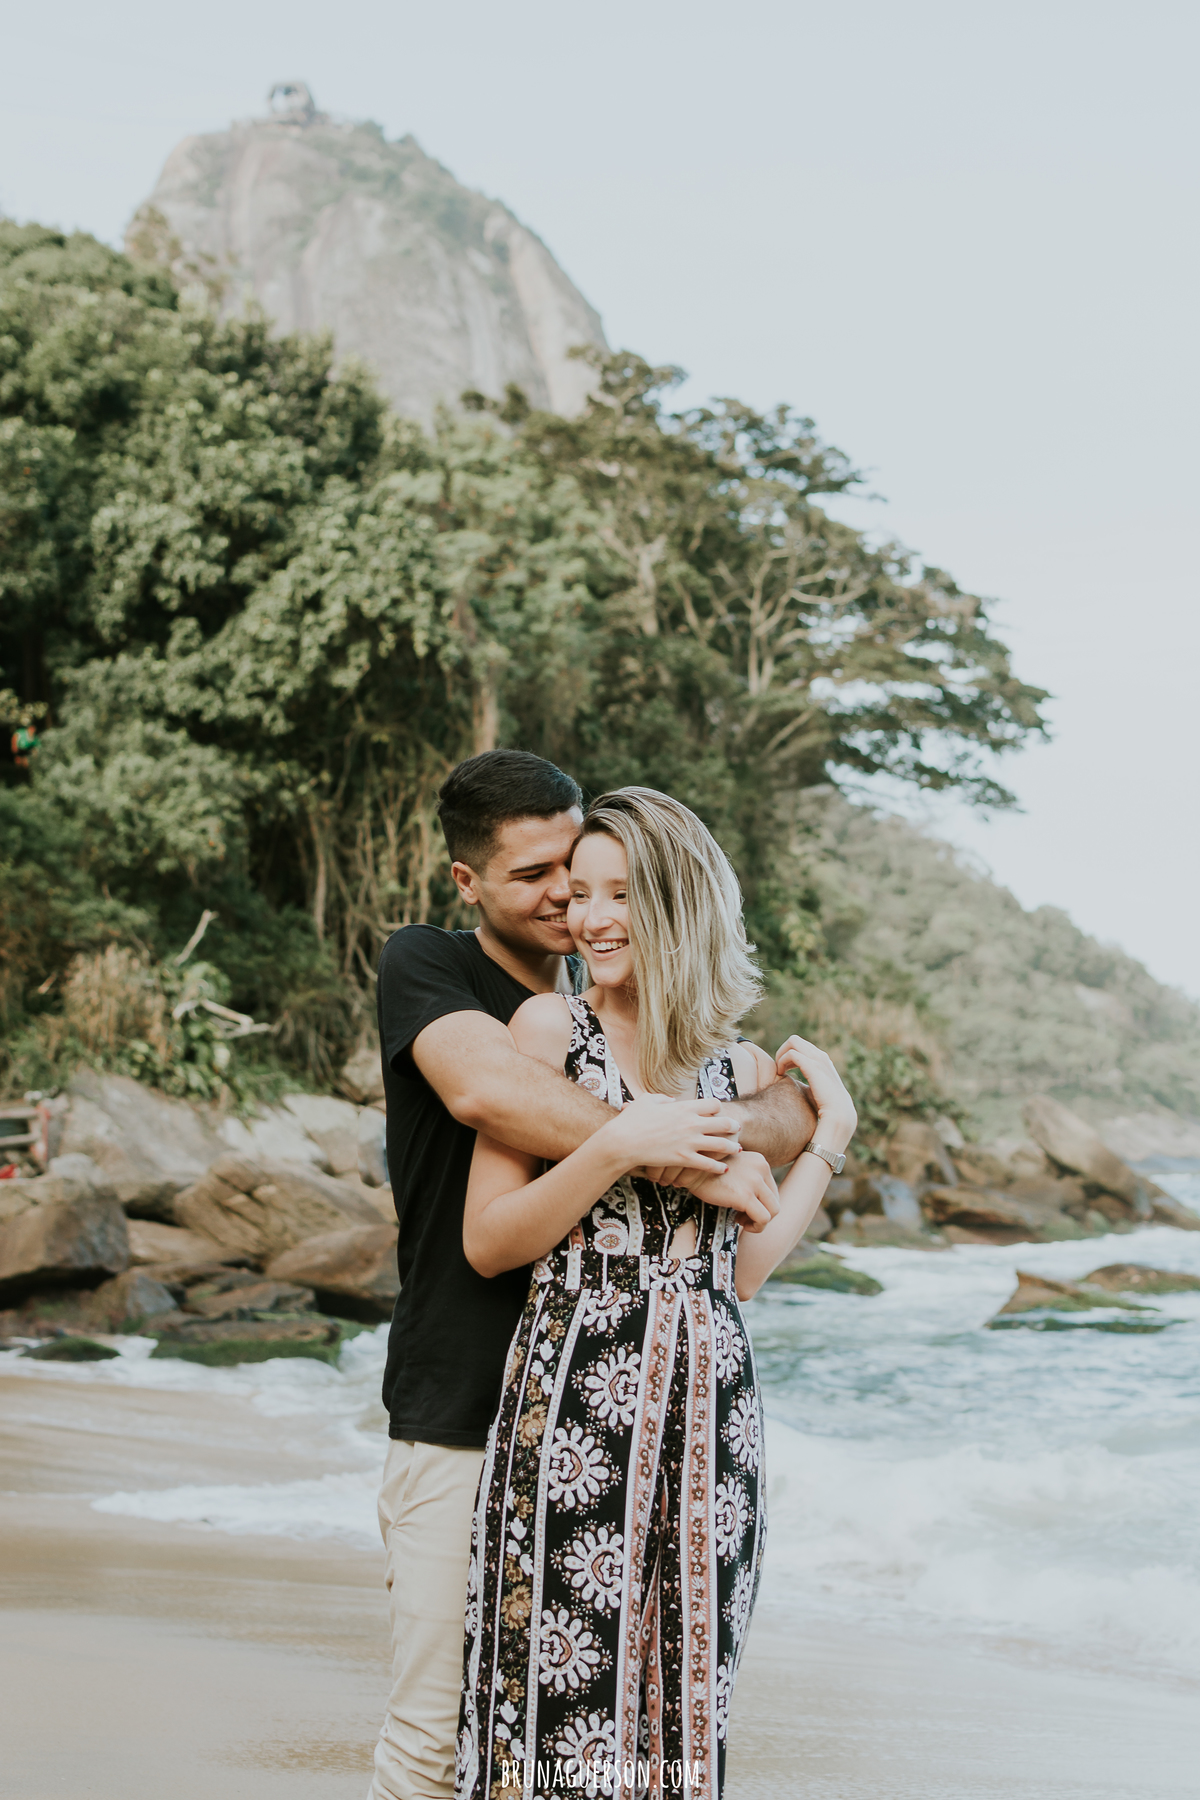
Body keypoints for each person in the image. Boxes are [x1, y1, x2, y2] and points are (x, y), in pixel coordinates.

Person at [370, 751, 820, 1800]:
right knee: (443, 1742)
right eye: (539, 880)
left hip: (635, 1429)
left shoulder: (633, 1014)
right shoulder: (432, 969)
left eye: (584, 878)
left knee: (631, 1737)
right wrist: (684, 1148)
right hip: (462, 1403)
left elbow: (772, 1130)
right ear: (467, 883)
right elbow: (491, 1092)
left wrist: (792, 1126)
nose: (567, 903)